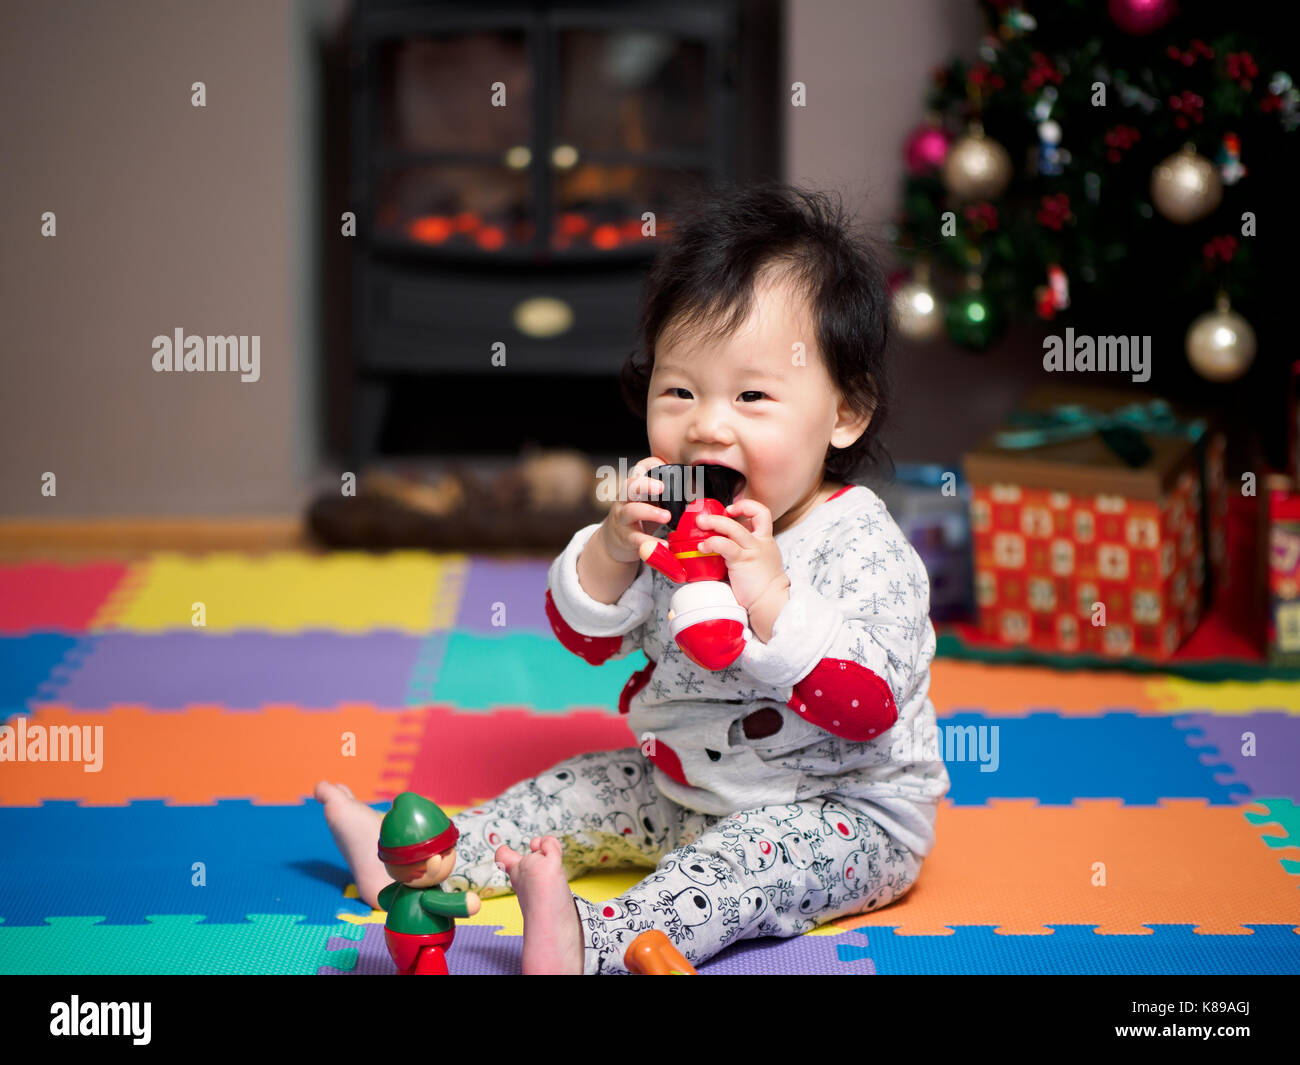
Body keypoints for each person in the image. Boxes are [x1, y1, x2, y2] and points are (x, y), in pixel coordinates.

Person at [317, 182, 950, 974]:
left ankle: (592, 940)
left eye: (753, 396)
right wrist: (613, 548)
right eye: (679, 390)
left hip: (839, 814)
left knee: (730, 872)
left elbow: (868, 707)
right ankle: (425, 858)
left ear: (845, 413)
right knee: (565, 795)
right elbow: (581, 634)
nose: (707, 424)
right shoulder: (669, 522)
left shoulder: (861, 543)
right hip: (682, 786)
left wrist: (769, 596)